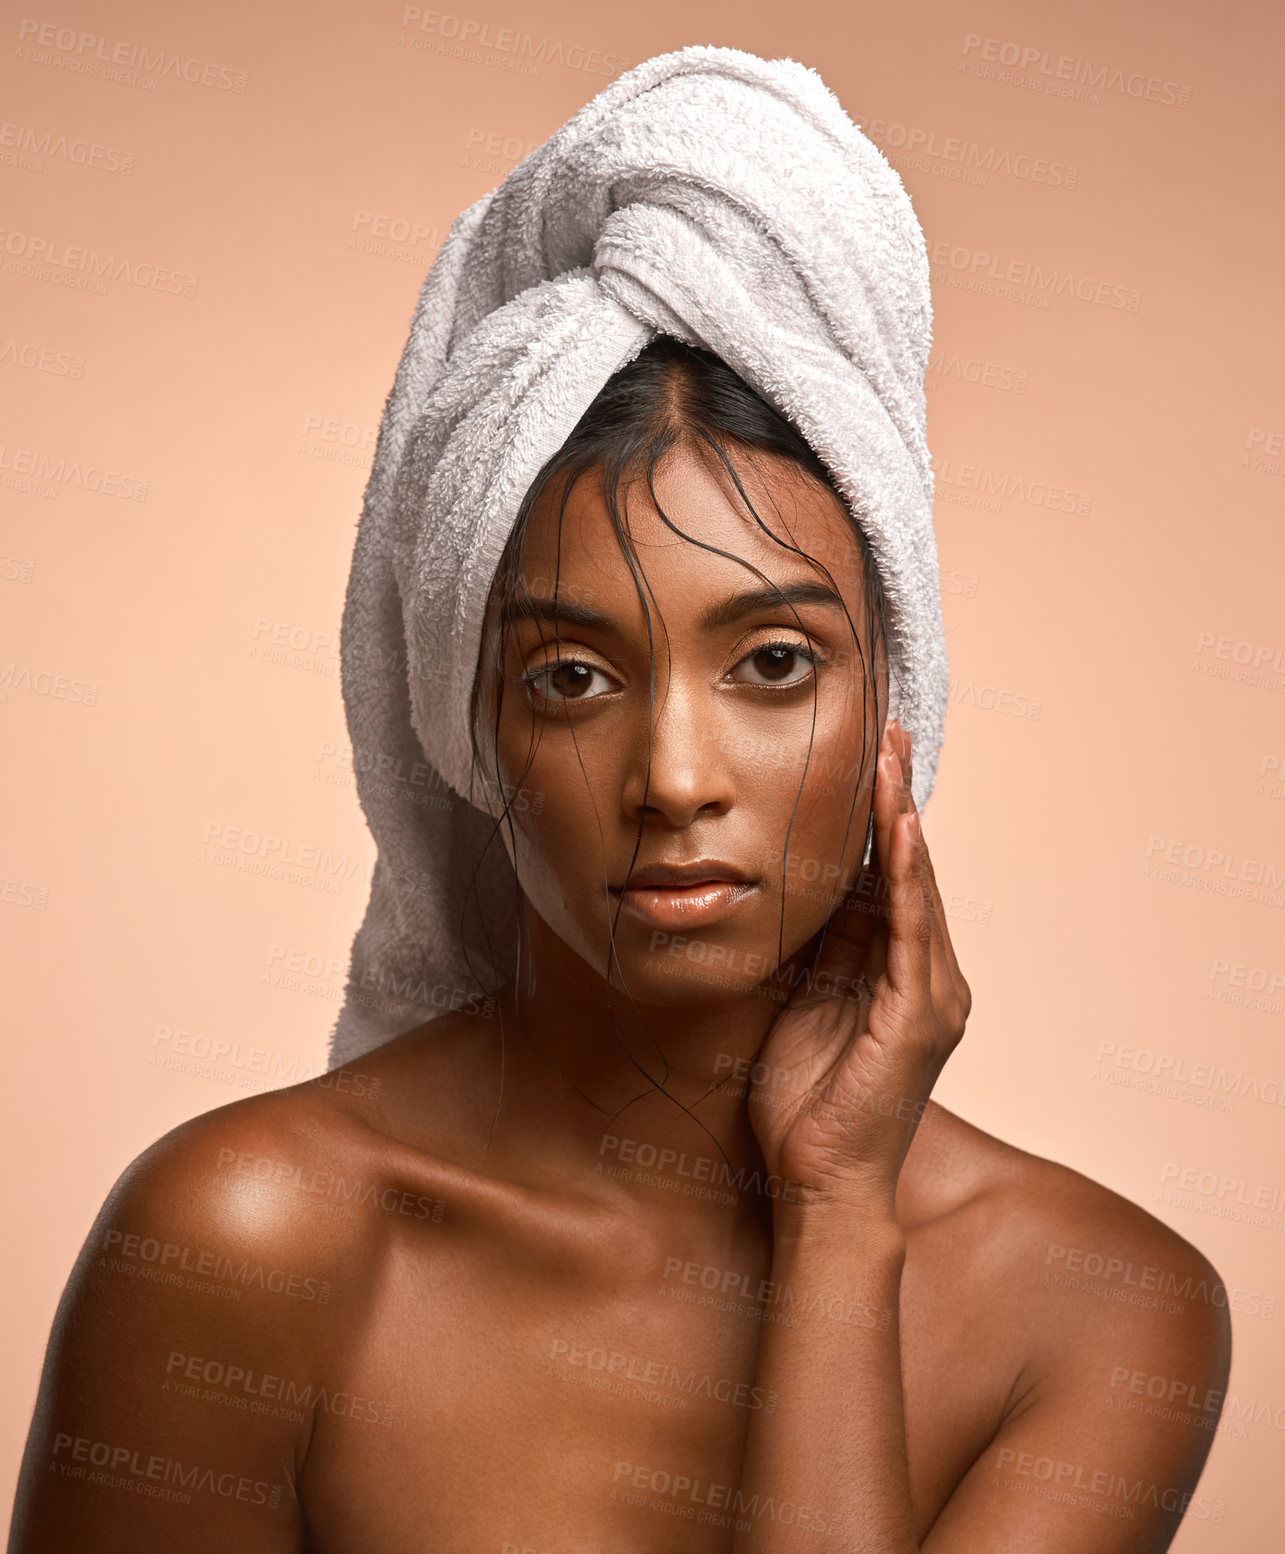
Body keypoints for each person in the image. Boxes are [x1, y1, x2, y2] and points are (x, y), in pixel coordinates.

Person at [10, 335, 1230, 1552]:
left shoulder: (1101, 1313)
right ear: (468, 730)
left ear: (893, 710)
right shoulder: (248, 1245)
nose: (674, 778)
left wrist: (837, 1218)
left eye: (772, 663)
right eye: (573, 677)